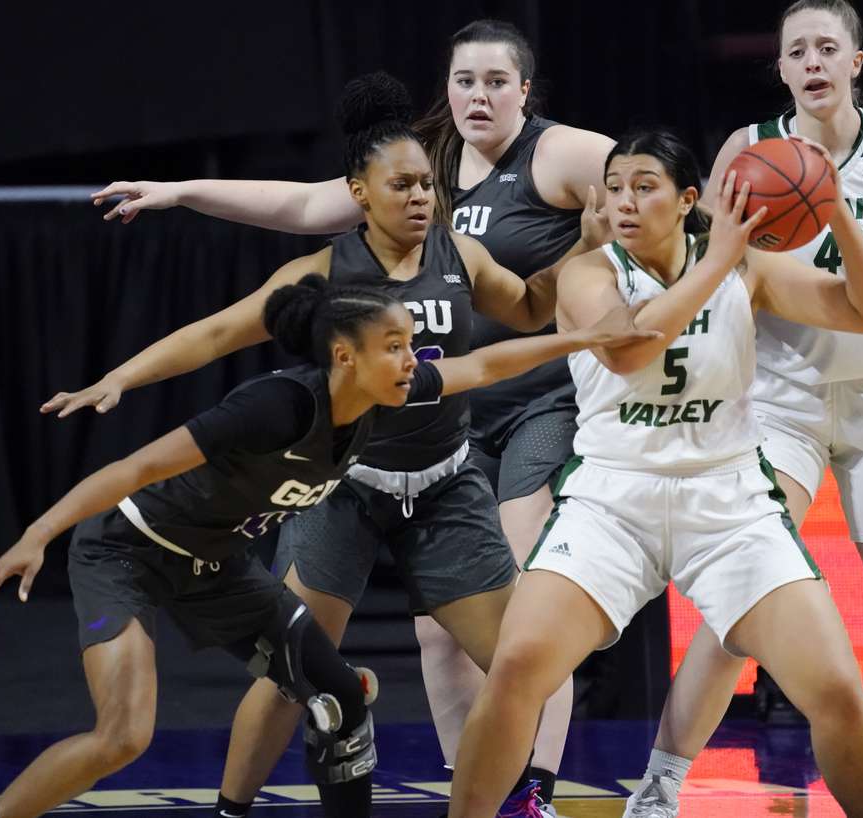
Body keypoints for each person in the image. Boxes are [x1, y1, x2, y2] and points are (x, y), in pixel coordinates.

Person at [45, 71, 654, 818]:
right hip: (346, 484)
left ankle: (498, 805)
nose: (422, 197)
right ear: (360, 193)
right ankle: (231, 809)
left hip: (444, 485)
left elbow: (528, 313)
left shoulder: (460, 255)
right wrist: (119, 378)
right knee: (289, 675)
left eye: (428, 184)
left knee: (521, 664)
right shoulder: (327, 272)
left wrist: (580, 251)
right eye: (401, 186)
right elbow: (216, 332)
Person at [0, 272, 644, 818]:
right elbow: (136, 470)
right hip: (128, 553)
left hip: (219, 567)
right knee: (124, 736)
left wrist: (584, 336)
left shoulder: (384, 398)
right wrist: (37, 535)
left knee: (342, 699)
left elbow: (488, 363)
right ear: (345, 355)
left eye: (412, 345)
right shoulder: (274, 407)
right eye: (396, 346)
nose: (413, 360)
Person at [620, 3, 863, 816]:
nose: (812, 60)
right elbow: (697, 269)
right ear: (780, 70)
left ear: (856, 61)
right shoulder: (748, 149)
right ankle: (658, 788)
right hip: (780, 396)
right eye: (796, 50)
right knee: (739, 605)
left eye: (826, 47)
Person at [444, 129, 863, 818]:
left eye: (644, 186)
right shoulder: (587, 272)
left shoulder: (749, 269)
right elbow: (628, 349)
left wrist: (831, 209)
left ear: (688, 199)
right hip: (611, 500)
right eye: (616, 185)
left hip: (730, 502)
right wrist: (717, 263)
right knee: (516, 669)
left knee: (837, 689)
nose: (624, 202)